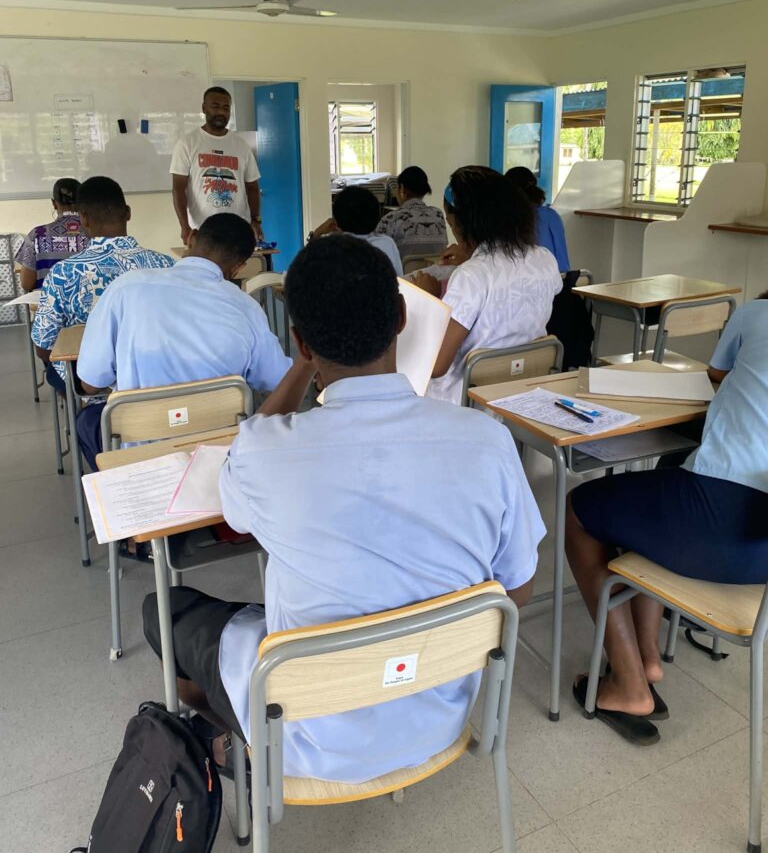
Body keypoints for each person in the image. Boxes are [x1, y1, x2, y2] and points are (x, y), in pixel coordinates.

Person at [143, 234, 545, 782]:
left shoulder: (264, 450)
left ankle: (239, 745)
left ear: (300, 342)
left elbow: (236, 513)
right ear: (401, 316)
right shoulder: (487, 441)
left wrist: (303, 367)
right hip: (441, 716)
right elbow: (517, 588)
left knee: (163, 612)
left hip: (308, 734)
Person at [565, 292, 768, 746]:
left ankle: (630, 685)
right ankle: (649, 656)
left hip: (715, 523)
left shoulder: (758, 314)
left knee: (580, 510)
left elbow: (717, 374)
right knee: (663, 478)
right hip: (761, 558)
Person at [74, 213, 292, 470]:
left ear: (191, 238)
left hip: (142, 454)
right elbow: (277, 380)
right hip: (219, 455)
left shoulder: (125, 288)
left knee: (87, 420)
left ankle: (120, 487)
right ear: (239, 267)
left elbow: (90, 383)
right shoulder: (246, 307)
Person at [414, 167, 563, 405]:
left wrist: (426, 299)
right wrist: (473, 256)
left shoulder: (471, 276)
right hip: (520, 398)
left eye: (452, 225)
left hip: (464, 404)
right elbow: (507, 276)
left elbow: (435, 366)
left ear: (464, 224)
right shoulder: (544, 259)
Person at [31, 176, 174, 395]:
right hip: (161, 376)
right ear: (128, 213)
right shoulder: (167, 265)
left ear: (83, 219)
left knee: (55, 372)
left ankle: (83, 413)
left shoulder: (63, 273)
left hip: (93, 386)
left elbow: (44, 348)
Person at [170, 86, 263, 245]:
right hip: (202, 229)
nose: (221, 112)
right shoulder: (187, 143)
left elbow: (253, 188)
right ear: (204, 108)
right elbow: (178, 189)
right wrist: (184, 227)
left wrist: (255, 220)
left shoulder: (241, 146)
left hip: (238, 227)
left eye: (226, 108)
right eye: (215, 106)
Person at [15, 177, 87, 291]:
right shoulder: (97, 234)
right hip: (91, 301)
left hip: (50, 301)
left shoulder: (37, 235)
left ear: (54, 203)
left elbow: (26, 284)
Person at [311, 186, 403, 274]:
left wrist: (317, 234)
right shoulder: (387, 243)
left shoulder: (329, 247)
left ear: (337, 219)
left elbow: (308, 270)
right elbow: (399, 279)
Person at [374, 166, 448, 261]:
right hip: (435, 270)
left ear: (402, 188)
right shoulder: (438, 215)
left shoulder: (390, 219)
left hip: (403, 271)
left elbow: (376, 256)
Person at [505, 166, 570, 273]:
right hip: (560, 278)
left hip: (530, 279)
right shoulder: (552, 215)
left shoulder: (512, 219)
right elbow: (562, 259)